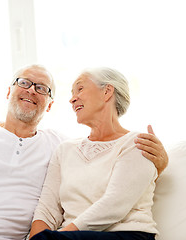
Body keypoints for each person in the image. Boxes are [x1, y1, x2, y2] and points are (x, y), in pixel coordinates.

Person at [0, 34, 168, 240]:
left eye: (42, 89)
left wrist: (160, 163)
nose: (32, 90)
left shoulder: (58, 144)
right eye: (24, 82)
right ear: (8, 91)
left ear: (49, 105)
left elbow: (109, 159)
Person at [29, 67, 161, 240]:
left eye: (80, 89)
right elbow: (47, 209)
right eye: (72, 93)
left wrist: (55, 238)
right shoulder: (64, 149)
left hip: (127, 235)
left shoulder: (137, 143)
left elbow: (114, 206)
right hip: (71, 237)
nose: (72, 99)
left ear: (107, 92)